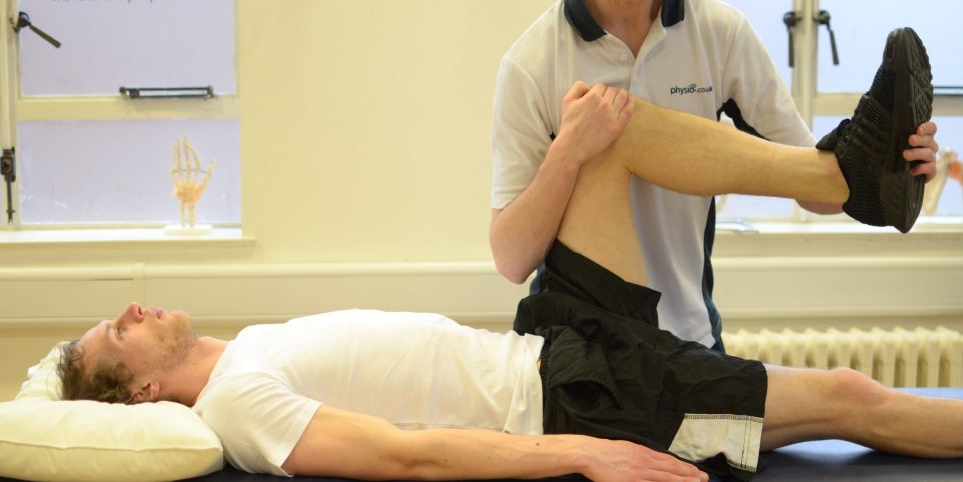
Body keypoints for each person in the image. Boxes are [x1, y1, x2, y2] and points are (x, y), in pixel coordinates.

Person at [56, 29, 962, 482]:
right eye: (116, 334)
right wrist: (584, 456)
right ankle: (855, 178)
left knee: (606, 122)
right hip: (584, 403)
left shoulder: (247, 351)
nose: (132, 311)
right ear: (141, 391)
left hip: (549, 343)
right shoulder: (236, 406)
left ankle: (851, 174)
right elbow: (409, 457)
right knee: (851, 397)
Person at [489, 0, 941, 350]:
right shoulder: (532, 62)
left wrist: (902, 158)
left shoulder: (720, 33)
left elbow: (814, 186)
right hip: (581, 343)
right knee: (616, 121)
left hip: (690, 340)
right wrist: (568, 152)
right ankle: (862, 170)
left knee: (850, 394)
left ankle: (865, 170)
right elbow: (511, 260)